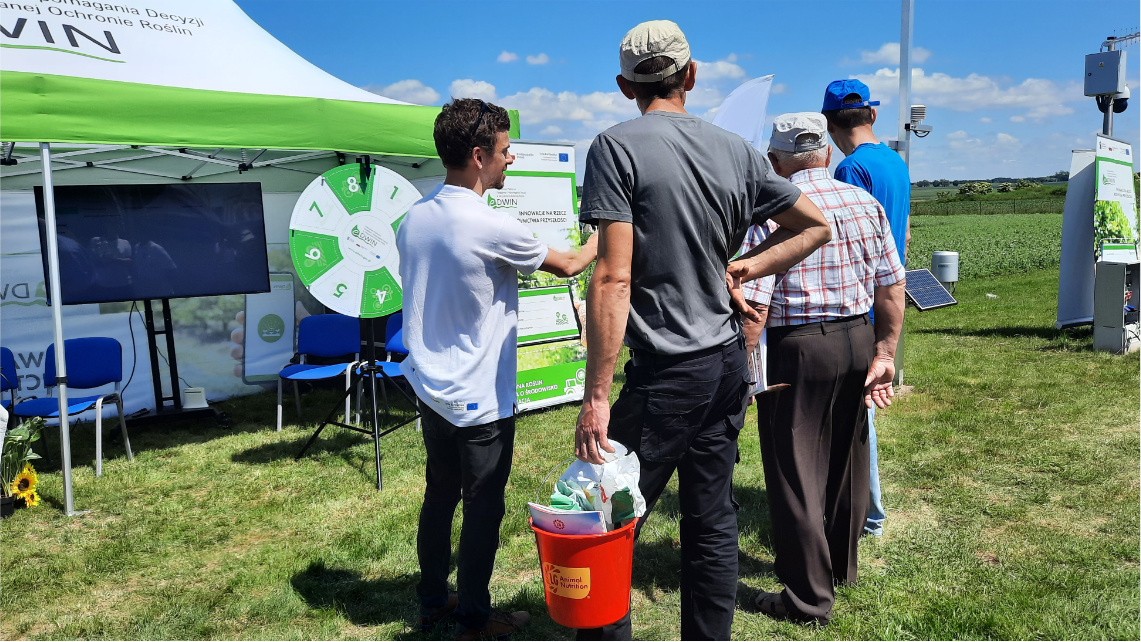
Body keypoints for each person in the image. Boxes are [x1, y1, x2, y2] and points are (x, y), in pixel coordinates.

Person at [574, 21, 832, 640]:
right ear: (692, 75)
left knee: (607, 519)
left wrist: (596, 396)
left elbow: (611, 278)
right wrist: (748, 265)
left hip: (666, 369)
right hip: (723, 365)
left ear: (623, 86)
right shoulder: (736, 150)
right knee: (712, 519)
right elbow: (815, 225)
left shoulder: (615, 147)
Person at [397, 97, 597, 640]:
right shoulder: (486, 223)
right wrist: (610, 225)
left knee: (439, 495)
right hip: (478, 395)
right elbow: (573, 264)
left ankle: (434, 599)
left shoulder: (414, 217)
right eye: (507, 152)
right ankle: (475, 618)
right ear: (480, 155)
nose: (512, 161)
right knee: (482, 507)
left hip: (431, 385)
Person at [738, 112, 906, 624]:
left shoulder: (772, 210)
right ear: (827, 155)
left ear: (774, 161)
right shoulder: (865, 202)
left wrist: (746, 372)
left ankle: (807, 600)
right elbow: (891, 286)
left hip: (799, 347)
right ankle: (839, 569)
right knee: (846, 460)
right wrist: (884, 353)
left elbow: (755, 305)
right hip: (857, 336)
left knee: (794, 471)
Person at [822, 78, 913, 537]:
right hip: (889, 294)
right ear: (872, 115)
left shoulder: (850, 170)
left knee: (858, 416)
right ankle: (864, 509)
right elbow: (906, 234)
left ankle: (868, 516)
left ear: (828, 124)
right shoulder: (896, 162)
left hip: (860, 304)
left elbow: (846, 245)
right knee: (865, 410)